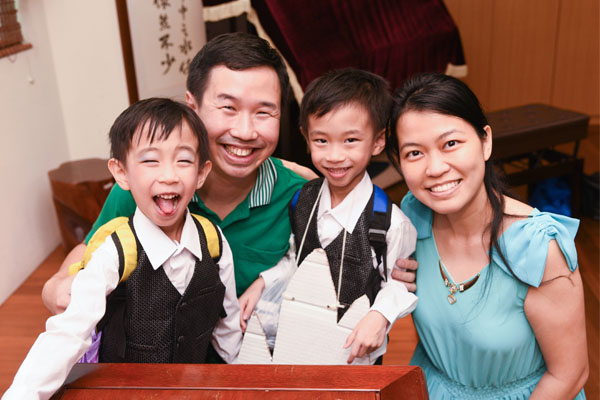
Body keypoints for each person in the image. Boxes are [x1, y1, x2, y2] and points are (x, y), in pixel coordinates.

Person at [42, 33, 418, 317]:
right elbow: (93, 246)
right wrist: (57, 284)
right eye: (228, 107)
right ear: (192, 106)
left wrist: (393, 275)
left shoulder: (300, 196)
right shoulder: (152, 186)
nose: (244, 131)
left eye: (263, 112)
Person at [3, 98, 242, 400]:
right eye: (150, 160)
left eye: (183, 160)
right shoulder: (115, 250)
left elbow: (228, 323)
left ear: (202, 173)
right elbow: (69, 331)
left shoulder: (214, 241)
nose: (169, 175)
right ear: (121, 173)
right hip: (125, 391)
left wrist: (241, 378)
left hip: (190, 388)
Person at [386, 72, 588, 399]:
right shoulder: (413, 216)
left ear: (485, 141)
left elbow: (569, 374)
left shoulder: (537, 247)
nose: (435, 168)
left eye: (450, 144)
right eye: (414, 153)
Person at [239, 68, 418, 364]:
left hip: (357, 352)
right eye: (321, 141)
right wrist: (263, 282)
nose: (334, 155)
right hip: (302, 339)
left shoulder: (389, 222)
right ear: (306, 139)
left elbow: (398, 282)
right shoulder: (302, 200)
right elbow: (295, 259)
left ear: (377, 141)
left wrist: (380, 316)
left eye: (350, 141)